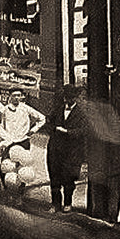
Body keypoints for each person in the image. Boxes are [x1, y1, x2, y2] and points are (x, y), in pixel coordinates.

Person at [46, 83, 87, 213]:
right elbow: (48, 123)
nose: (67, 100)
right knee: (54, 176)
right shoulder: (57, 109)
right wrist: (54, 130)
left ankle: (68, 203)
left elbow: (83, 131)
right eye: (66, 98)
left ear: (75, 98)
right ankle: (55, 204)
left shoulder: (81, 113)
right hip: (55, 149)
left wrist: (67, 132)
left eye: (70, 98)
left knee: (68, 178)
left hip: (71, 151)